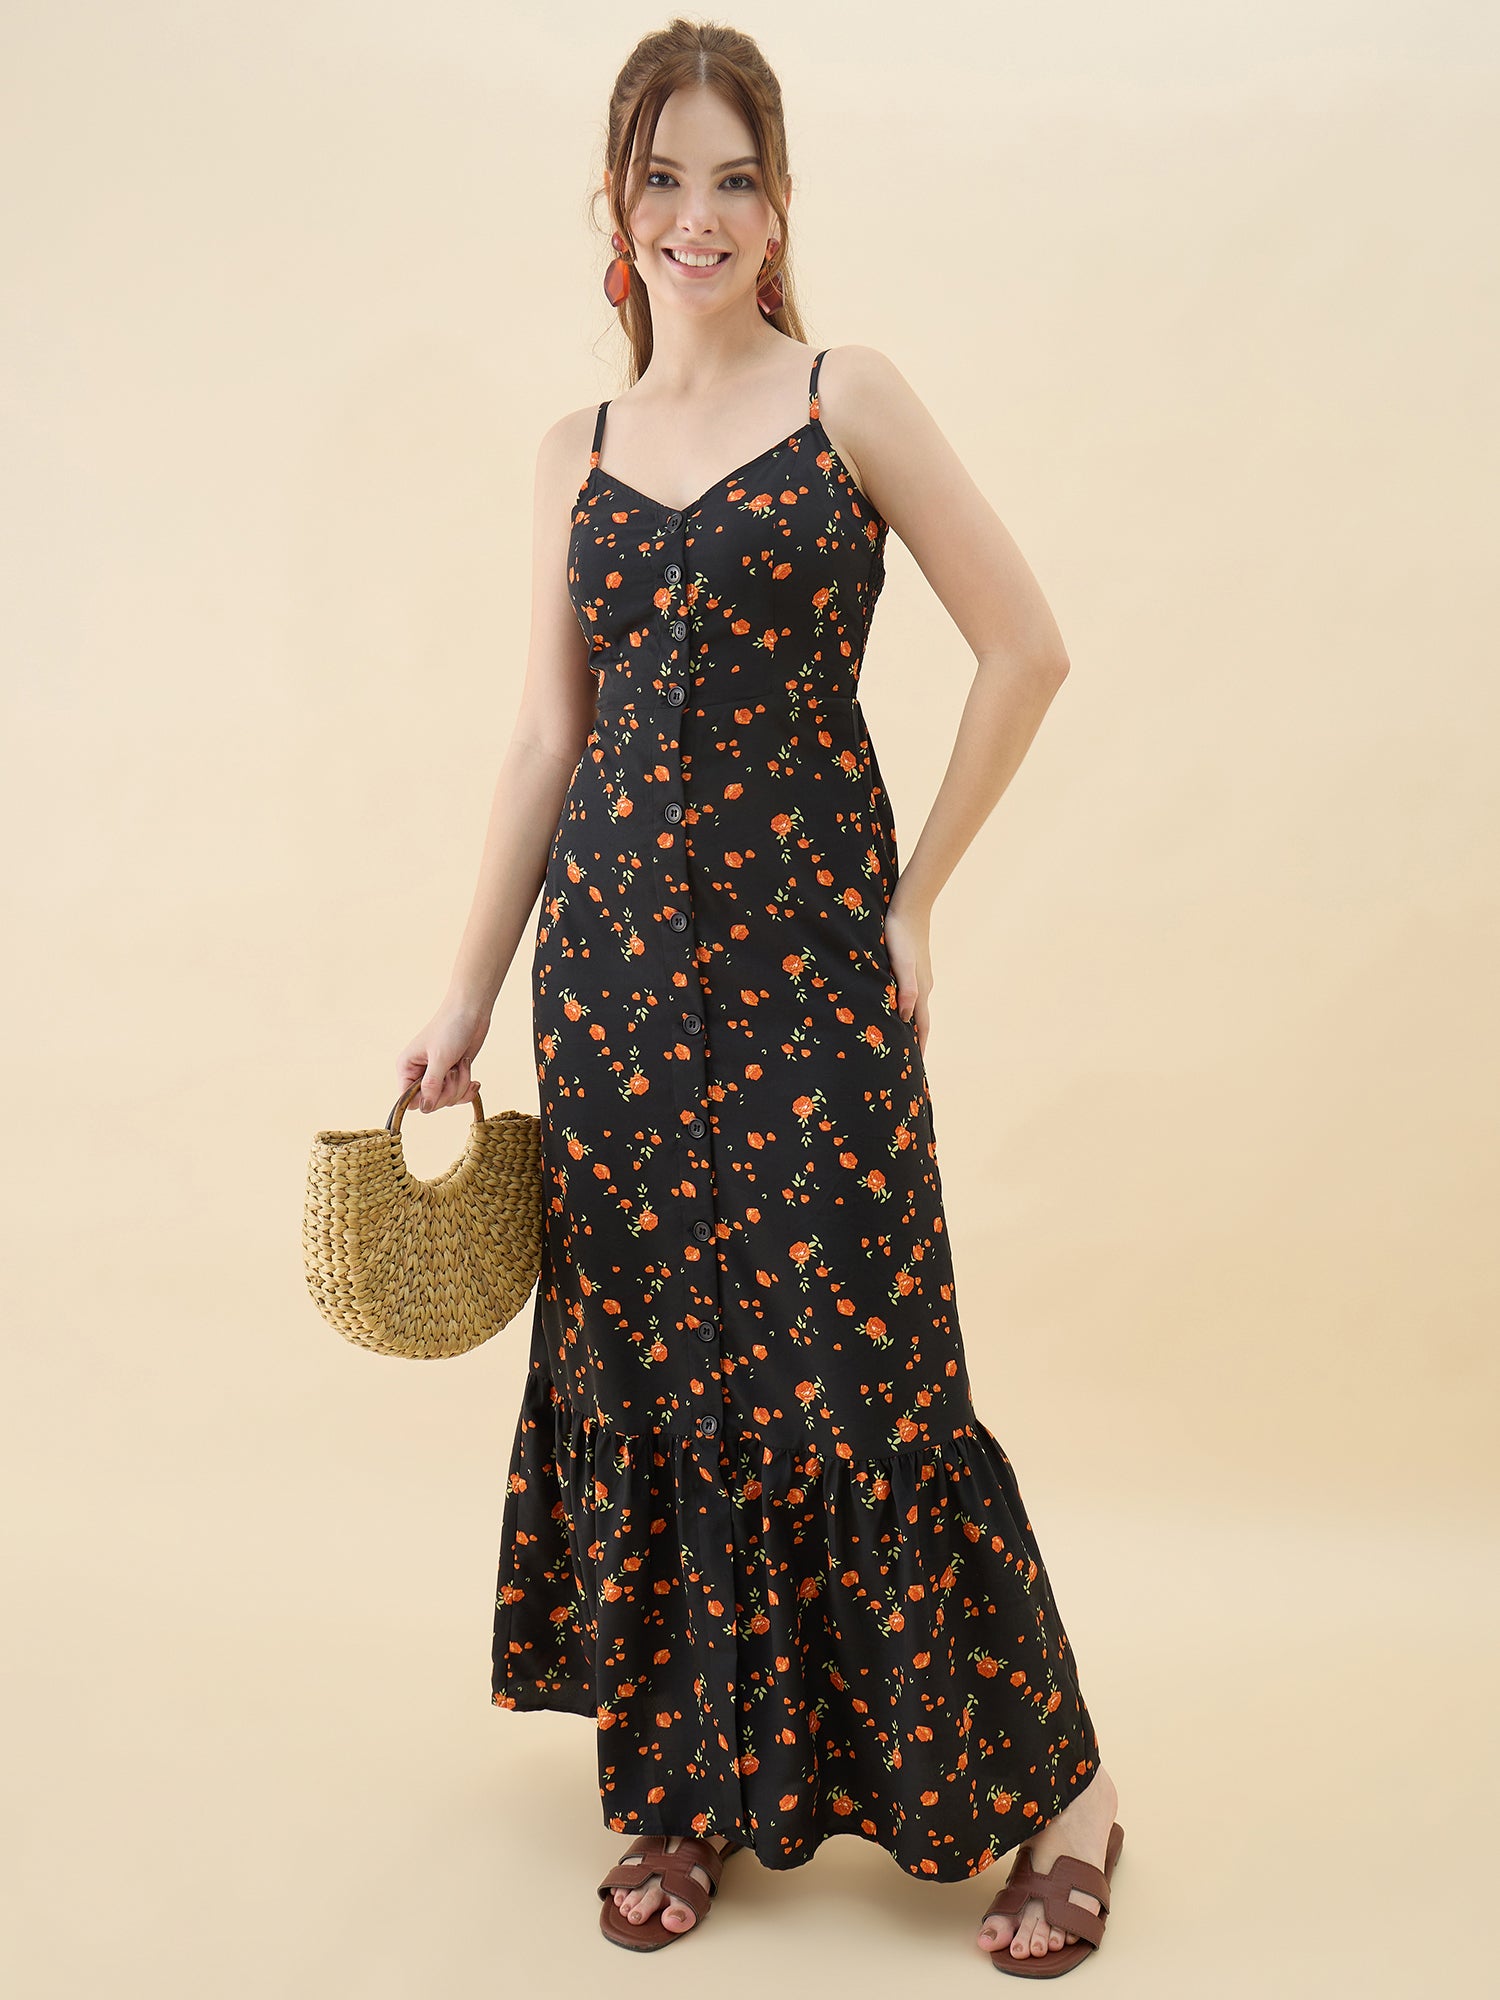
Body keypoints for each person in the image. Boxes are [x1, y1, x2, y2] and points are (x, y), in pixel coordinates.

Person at [397, 17, 1124, 1975]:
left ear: (779, 202)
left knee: (869, 1380)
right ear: (615, 214)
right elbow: (545, 744)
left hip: (808, 975)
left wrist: (909, 902)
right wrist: (466, 995)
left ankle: (1065, 1798)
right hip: (617, 990)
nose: (700, 214)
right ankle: (693, 1791)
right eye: (665, 180)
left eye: (735, 177)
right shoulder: (577, 451)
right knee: (657, 1373)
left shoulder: (845, 393)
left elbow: (1026, 649)